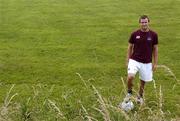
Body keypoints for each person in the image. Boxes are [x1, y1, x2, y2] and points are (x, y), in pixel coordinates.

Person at [124, 15, 158, 104]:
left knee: (143, 81)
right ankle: (129, 92)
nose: (144, 24)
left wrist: (155, 63)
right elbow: (130, 47)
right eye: (142, 22)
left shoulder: (153, 35)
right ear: (140, 23)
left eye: (145, 22)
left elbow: (155, 49)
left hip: (147, 62)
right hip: (134, 60)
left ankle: (140, 96)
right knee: (130, 76)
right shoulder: (134, 34)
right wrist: (127, 60)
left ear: (148, 22)